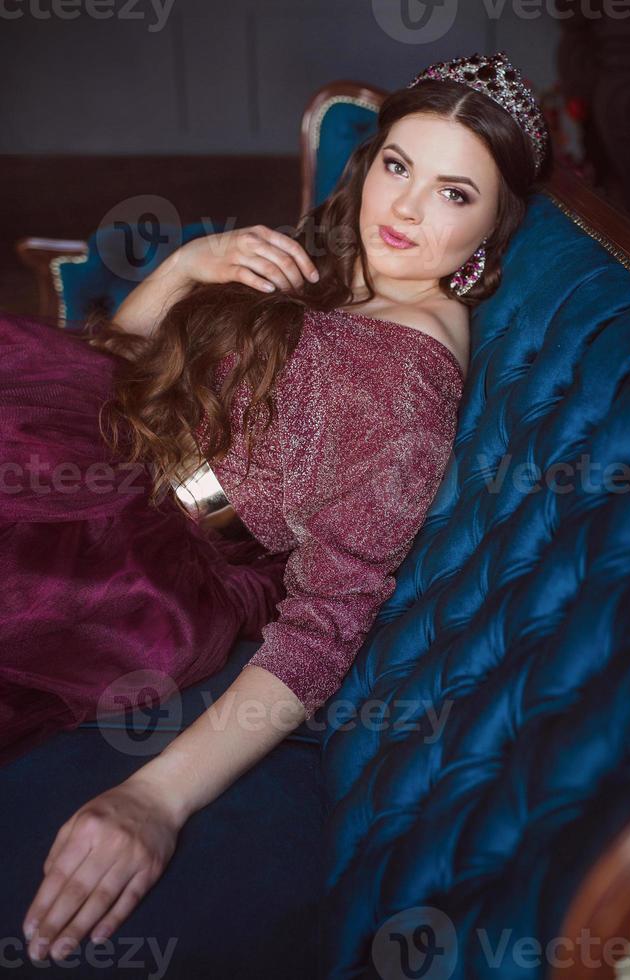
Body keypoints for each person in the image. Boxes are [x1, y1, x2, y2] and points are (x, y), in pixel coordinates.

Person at [3, 50, 552, 964]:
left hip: (138, 555)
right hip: (95, 446)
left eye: (457, 194)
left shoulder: (408, 375)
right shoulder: (349, 277)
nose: (406, 210)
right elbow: (114, 358)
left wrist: (155, 798)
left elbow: (327, 624)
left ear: (495, 229)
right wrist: (190, 263)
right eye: (398, 166)